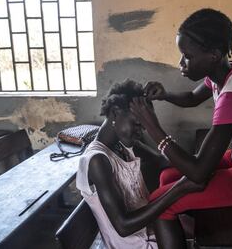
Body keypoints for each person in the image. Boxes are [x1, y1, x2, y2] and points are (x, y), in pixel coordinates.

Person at [130, 8, 232, 249]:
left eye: (187, 56)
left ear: (214, 54)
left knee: (160, 202)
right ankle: (193, 234)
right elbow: (191, 98)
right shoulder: (225, 72)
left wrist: (152, 126)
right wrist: (165, 95)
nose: (181, 63)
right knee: (167, 177)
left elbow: (198, 172)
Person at [75, 79, 204, 249]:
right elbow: (123, 226)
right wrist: (179, 189)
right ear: (115, 112)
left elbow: (165, 162)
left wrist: (202, 163)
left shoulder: (123, 145)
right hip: (134, 244)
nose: (139, 131)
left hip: (150, 230)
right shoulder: (97, 160)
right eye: (137, 124)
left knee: (203, 221)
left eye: (143, 126)